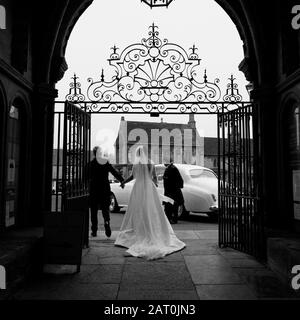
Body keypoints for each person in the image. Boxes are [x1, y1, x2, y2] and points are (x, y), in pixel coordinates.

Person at [114, 146, 185, 260]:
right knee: (152, 210)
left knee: (138, 210)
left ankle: (139, 230)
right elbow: (154, 178)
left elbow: (132, 176)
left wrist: (123, 182)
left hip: (138, 188)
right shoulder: (151, 163)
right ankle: (152, 229)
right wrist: (155, 184)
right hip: (149, 187)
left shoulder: (136, 164)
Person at [87, 146, 124, 238]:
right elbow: (114, 172)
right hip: (104, 189)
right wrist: (122, 180)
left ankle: (94, 230)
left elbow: (85, 177)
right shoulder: (105, 163)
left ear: (94, 154)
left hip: (94, 190)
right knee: (105, 209)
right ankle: (106, 223)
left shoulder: (91, 164)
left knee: (94, 211)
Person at [163, 159, 184, 224]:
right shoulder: (170, 168)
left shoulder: (172, 169)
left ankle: (172, 219)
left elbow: (179, 180)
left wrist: (174, 189)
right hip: (171, 191)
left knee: (171, 206)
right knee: (172, 206)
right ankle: (171, 219)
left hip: (172, 191)